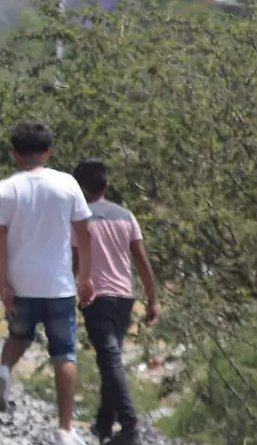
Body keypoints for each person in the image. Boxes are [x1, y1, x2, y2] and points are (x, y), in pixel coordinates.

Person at [0, 121, 95, 445]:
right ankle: (64, 429)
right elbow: (85, 234)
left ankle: (4, 370)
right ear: (47, 151)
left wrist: (2, 284)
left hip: (20, 282)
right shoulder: (67, 184)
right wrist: (86, 277)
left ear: (15, 154)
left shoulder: (5, 189)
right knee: (64, 353)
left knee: (18, 335)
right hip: (58, 284)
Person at [71, 159, 160, 445]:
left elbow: (73, 261)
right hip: (124, 298)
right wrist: (152, 300)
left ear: (79, 188)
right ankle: (104, 424)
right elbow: (142, 261)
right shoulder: (127, 216)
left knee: (110, 361)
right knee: (111, 360)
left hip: (96, 298)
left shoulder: (80, 218)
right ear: (106, 185)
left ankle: (130, 425)